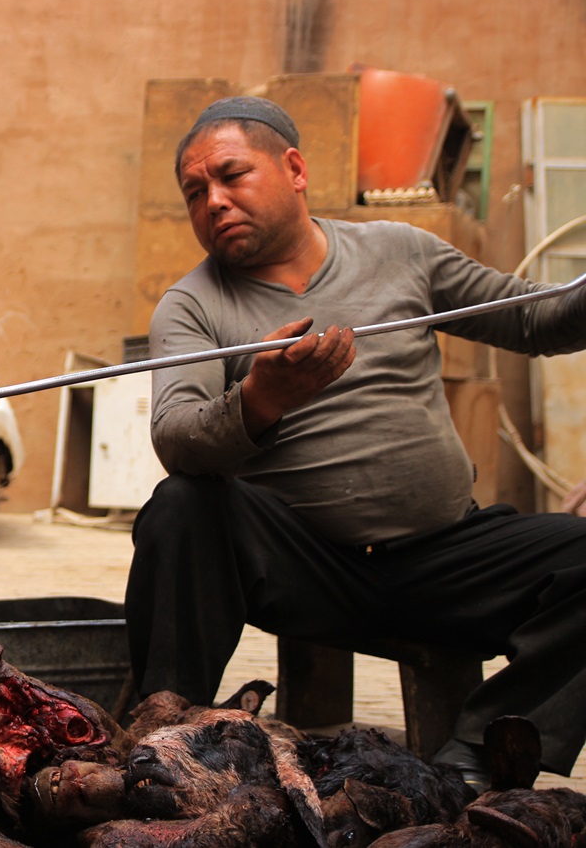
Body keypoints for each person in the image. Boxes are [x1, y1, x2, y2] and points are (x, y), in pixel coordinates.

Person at [124, 95, 586, 791]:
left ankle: (482, 751)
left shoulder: (401, 251)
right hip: (306, 567)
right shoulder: (193, 304)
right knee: (182, 504)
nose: (213, 201)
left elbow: (534, 321)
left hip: (446, 557)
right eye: (195, 192)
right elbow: (177, 437)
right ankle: (166, 740)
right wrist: (259, 401)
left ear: (295, 168)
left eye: (231, 175)